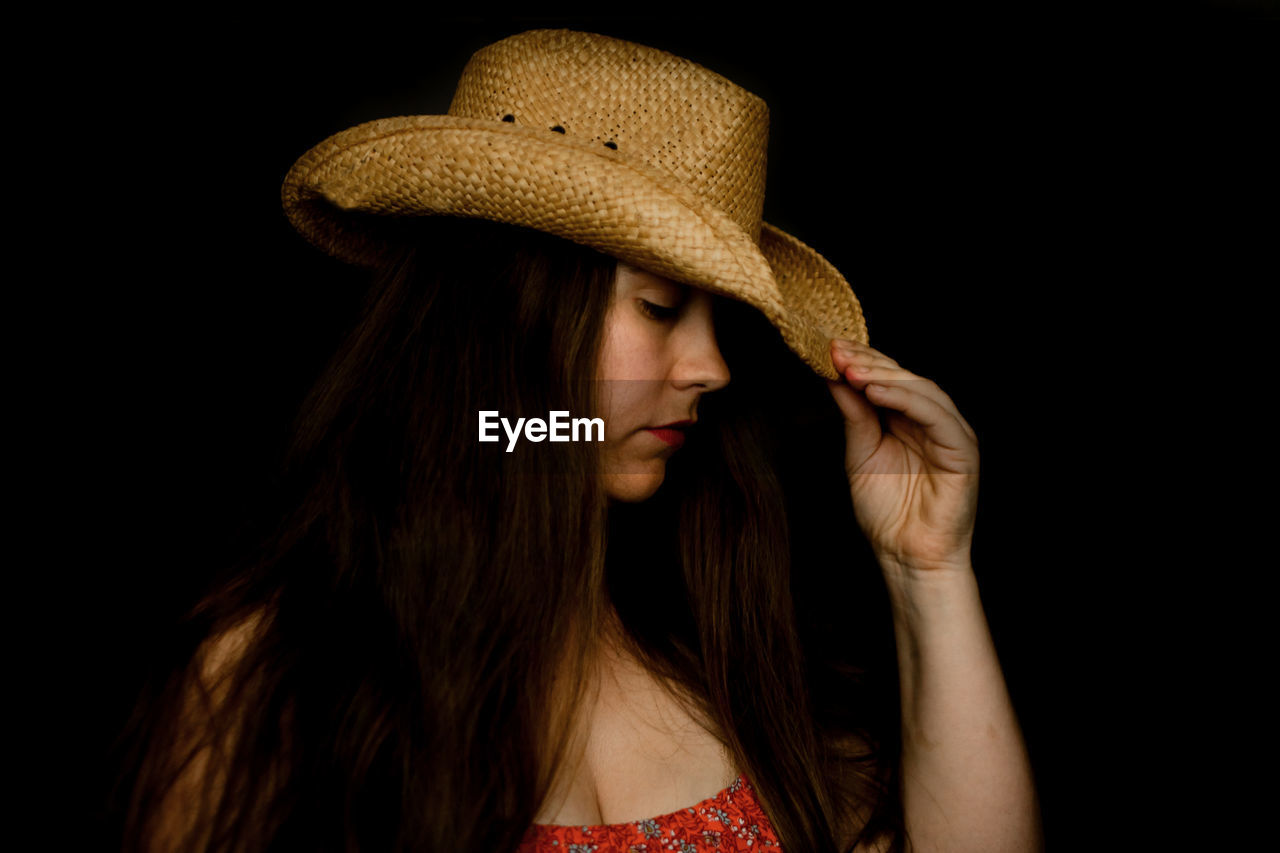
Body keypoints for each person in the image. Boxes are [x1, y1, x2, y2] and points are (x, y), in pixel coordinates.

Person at [111, 29, 1041, 852]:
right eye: (662, 306)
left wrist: (931, 572)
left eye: (719, 322)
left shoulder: (724, 635)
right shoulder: (275, 676)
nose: (712, 366)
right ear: (506, 315)